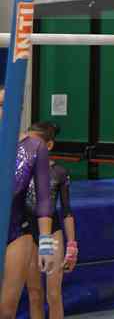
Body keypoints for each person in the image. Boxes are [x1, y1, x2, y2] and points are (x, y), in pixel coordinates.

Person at [24, 122, 78, 319]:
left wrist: (72, 245)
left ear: (48, 145)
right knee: (34, 294)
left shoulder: (59, 172)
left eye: (34, 143)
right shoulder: (22, 169)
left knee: (53, 295)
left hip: (52, 234)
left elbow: (66, 211)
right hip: (27, 234)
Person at [1, 131, 55, 319]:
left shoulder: (34, 146)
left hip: (16, 232)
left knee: (6, 311)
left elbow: (44, 199)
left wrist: (46, 245)